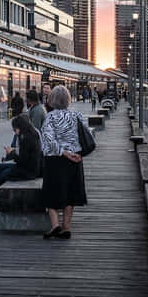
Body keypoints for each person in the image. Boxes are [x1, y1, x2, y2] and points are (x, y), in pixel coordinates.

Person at [40, 85, 87, 240]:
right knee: (70, 192)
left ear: (51, 99)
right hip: (75, 158)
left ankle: (55, 225)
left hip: (55, 159)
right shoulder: (76, 115)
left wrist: (63, 152)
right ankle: (66, 227)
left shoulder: (50, 117)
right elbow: (84, 135)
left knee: (51, 191)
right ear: (68, 99)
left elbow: (48, 138)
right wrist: (76, 153)